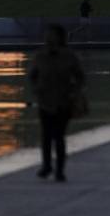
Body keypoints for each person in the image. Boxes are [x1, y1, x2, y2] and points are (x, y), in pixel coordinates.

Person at [28, 23, 85, 182]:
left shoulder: (69, 56)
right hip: (45, 101)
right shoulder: (40, 56)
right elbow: (32, 75)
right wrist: (35, 88)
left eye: (51, 35)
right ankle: (47, 166)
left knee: (59, 136)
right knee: (46, 135)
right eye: (47, 35)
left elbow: (80, 76)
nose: (48, 38)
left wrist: (76, 92)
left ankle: (59, 170)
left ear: (60, 38)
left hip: (64, 101)